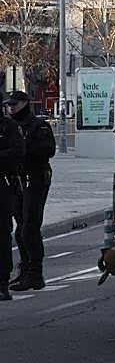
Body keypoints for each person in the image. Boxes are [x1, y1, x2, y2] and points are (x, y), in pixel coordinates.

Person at [7, 92, 54, 292]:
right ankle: (25, 270)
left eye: (14, 104)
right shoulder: (10, 127)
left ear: (25, 103)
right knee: (20, 229)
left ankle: (36, 274)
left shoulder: (38, 126)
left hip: (35, 180)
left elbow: (48, 150)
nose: (11, 108)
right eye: (9, 105)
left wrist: (23, 145)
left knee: (29, 227)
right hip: (17, 181)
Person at [0, 105, 24, 301]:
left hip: (3, 184)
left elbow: (17, 152)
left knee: (2, 234)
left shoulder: (8, 127)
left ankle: (2, 282)